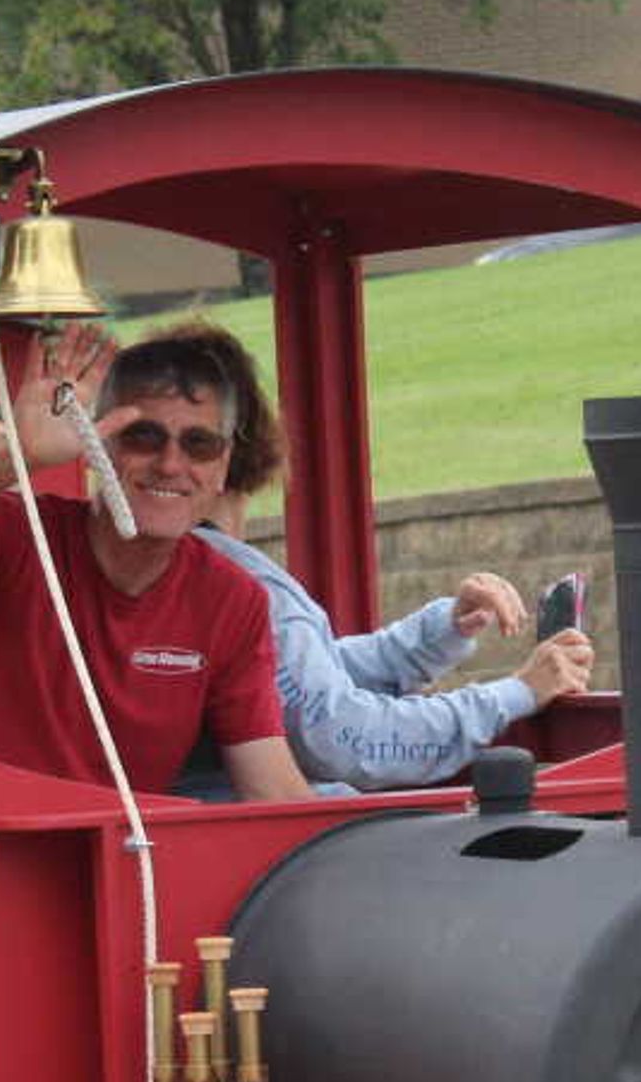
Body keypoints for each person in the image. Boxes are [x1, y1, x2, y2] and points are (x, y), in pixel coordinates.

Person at [156, 326, 591, 789]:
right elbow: (348, 741)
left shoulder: (184, 565)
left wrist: (440, 632)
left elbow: (294, 680)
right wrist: (518, 692)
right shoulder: (239, 582)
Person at [0, 324, 310, 804]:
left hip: (129, 865)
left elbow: (272, 788)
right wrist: (17, 451)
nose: (170, 464)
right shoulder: (18, 536)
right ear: (96, 446)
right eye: (143, 437)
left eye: (199, 445)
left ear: (224, 465)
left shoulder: (233, 598)